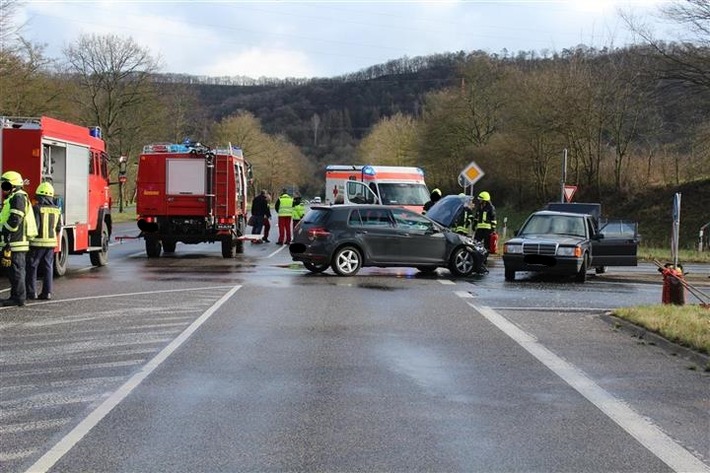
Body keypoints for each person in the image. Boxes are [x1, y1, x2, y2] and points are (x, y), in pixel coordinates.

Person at [0, 171, 37, 307]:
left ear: (13, 185)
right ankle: (15, 296)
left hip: (16, 241)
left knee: (17, 270)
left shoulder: (19, 197)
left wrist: (3, 229)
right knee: (12, 271)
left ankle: (19, 298)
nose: (3, 189)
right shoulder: (13, 197)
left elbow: (15, 220)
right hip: (12, 241)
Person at [26, 181, 61, 300]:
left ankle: (31, 292)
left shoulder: (36, 208)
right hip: (51, 244)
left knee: (32, 267)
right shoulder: (57, 209)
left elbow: (34, 226)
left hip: (37, 243)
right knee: (48, 267)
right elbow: (58, 227)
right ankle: (47, 293)